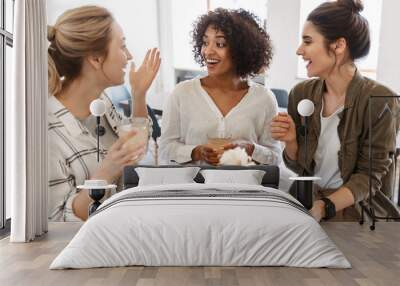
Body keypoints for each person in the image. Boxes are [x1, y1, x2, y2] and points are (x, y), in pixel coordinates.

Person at [271, 0, 399, 221]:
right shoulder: (301, 93)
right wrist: (290, 141)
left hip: (359, 213)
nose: (299, 50)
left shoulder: (381, 100)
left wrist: (325, 206)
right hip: (308, 205)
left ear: (338, 46)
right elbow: (298, 167)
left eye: (308, 41)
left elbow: (369, 177)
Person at [47, 5, 161, 221]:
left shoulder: (103, 103)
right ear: (96, 58)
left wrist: (139, 95)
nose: (128, 56)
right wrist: (106, 172)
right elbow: (58, 220)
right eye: (123, 46)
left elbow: (134, 151)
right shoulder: (48, 132)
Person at [159, 8, 281, 166]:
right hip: (194, 188)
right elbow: (164, 149)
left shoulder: (264, 99)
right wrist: (195, 152)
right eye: (205, 42)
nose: (208, 51)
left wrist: (251, 149)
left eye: (220, 44)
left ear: (241, 50)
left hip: (244, 188)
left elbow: (275, 158)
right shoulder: (182, 93)